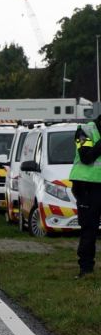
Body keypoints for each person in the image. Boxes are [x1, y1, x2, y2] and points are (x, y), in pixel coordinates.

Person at [69, 114, 101, 279]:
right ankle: (86, 269)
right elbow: (87, 157)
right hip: (87, 185)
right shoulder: (85, 130)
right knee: (89, 228)